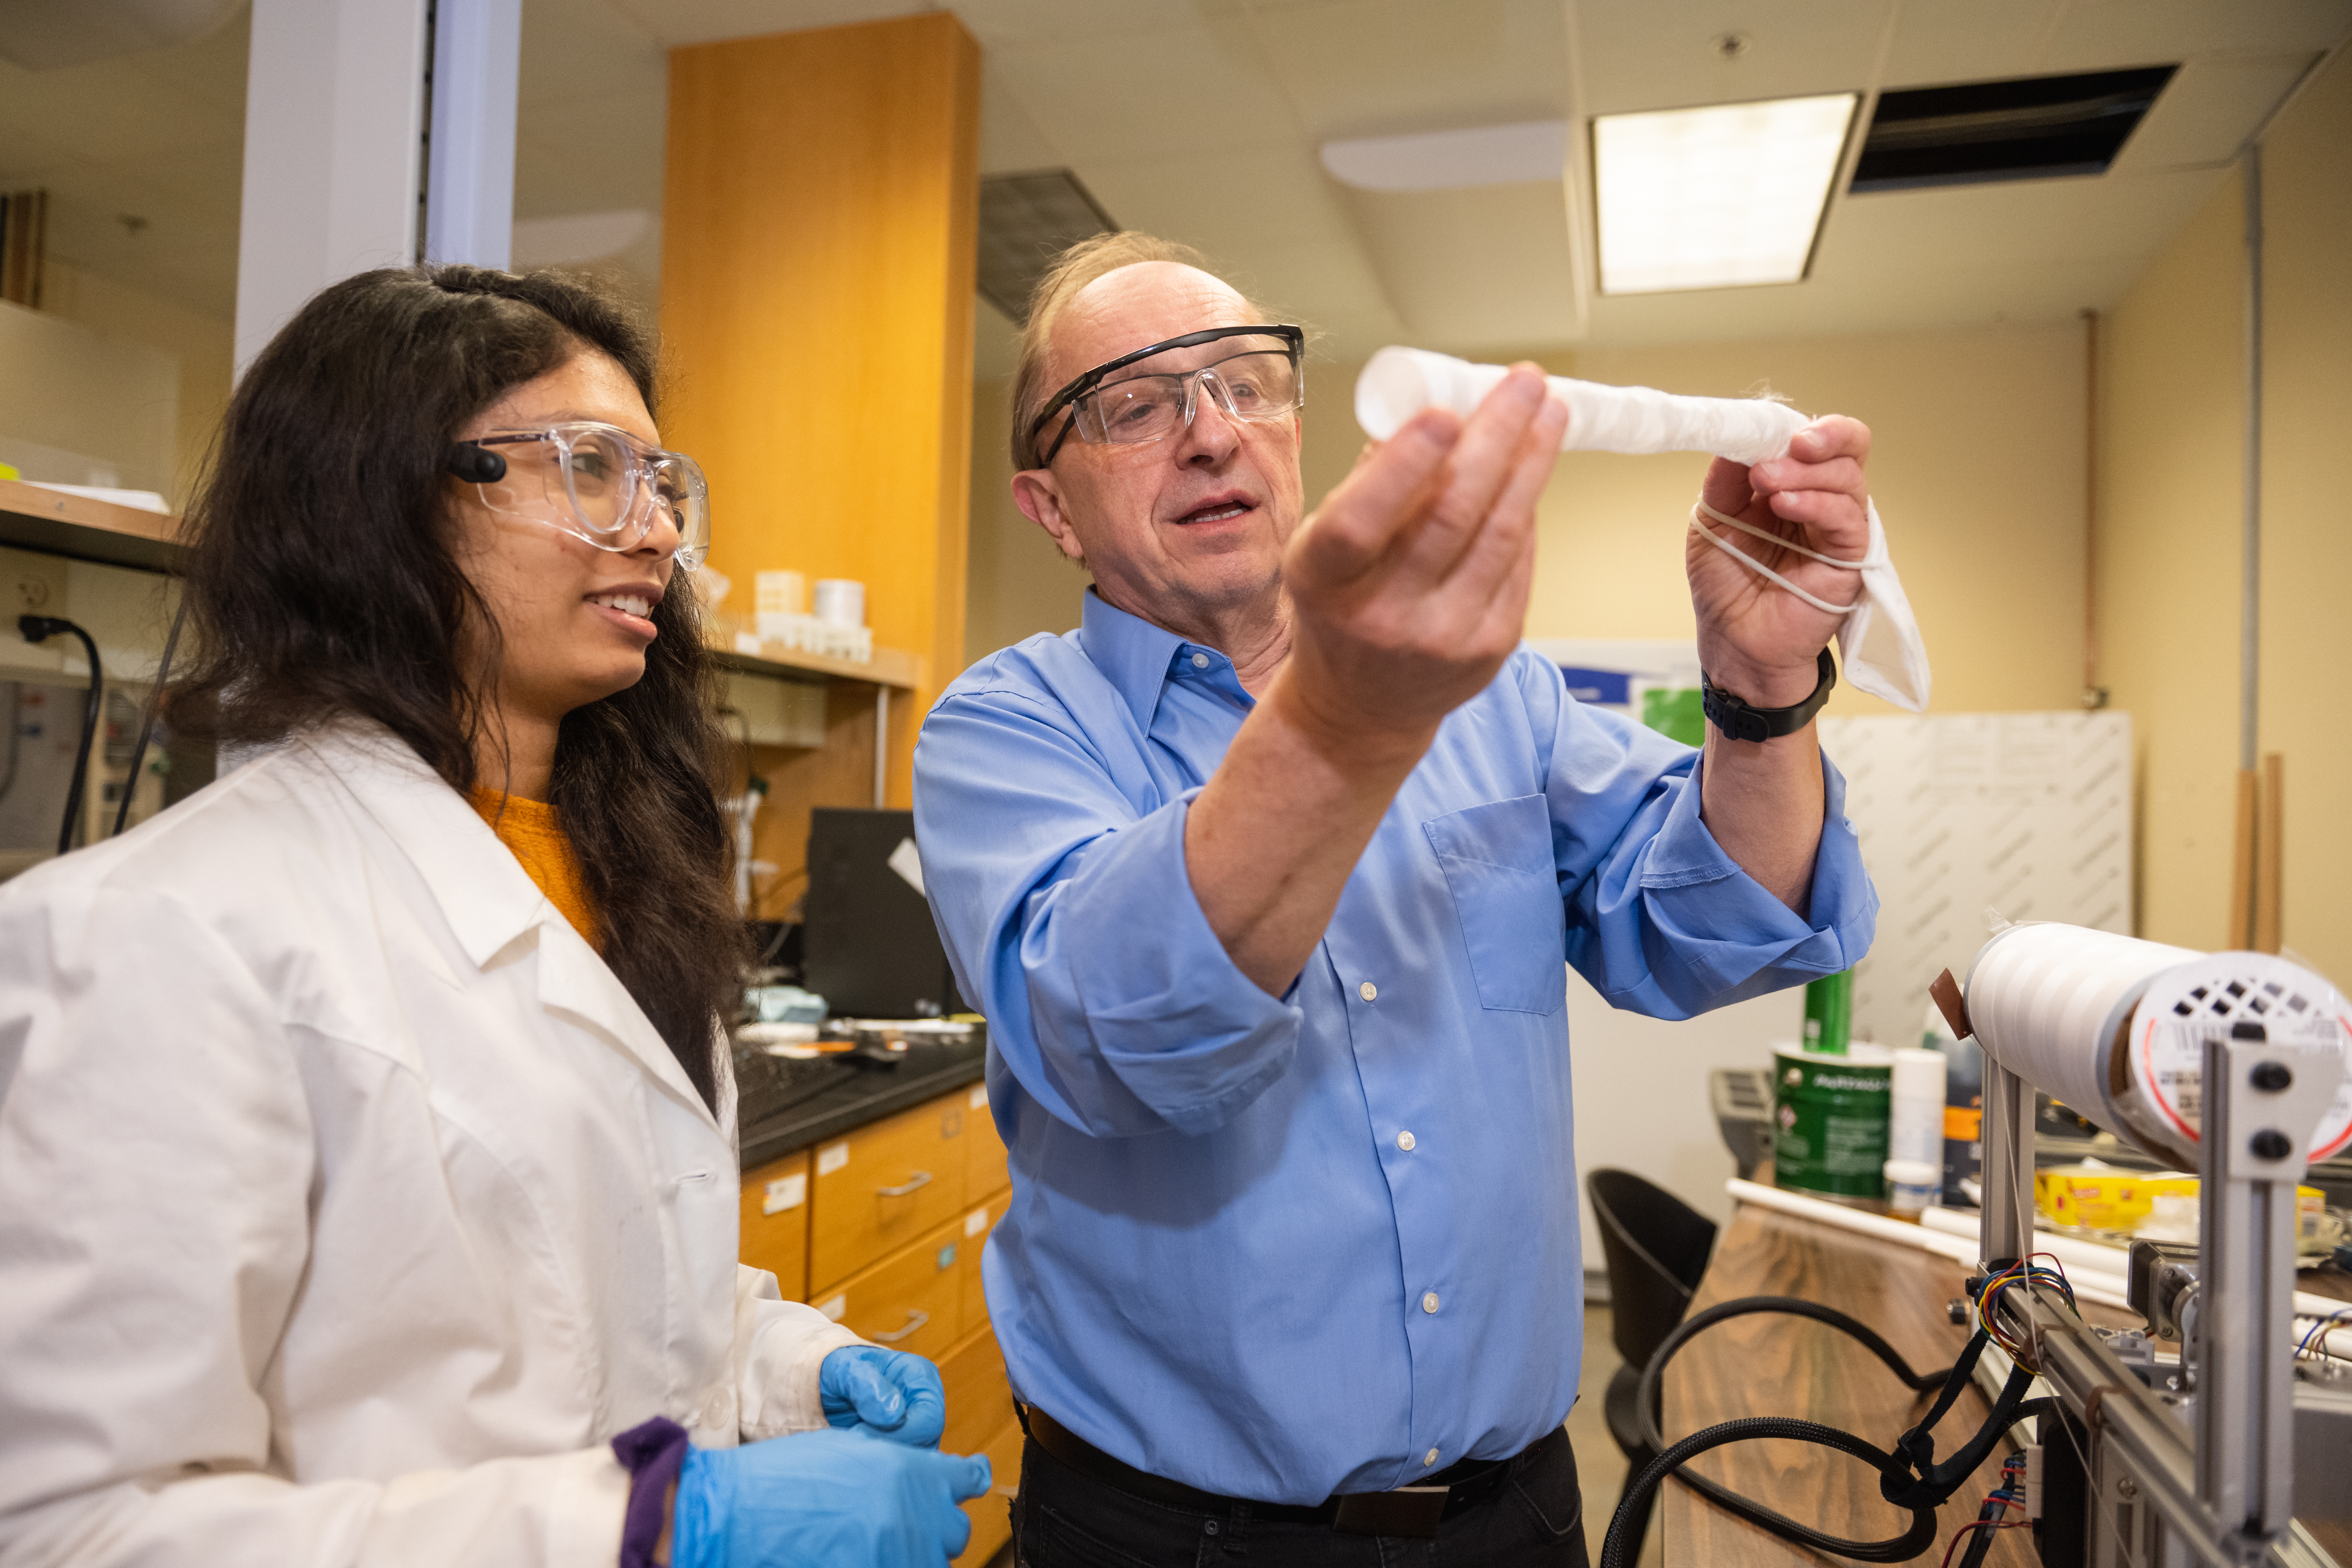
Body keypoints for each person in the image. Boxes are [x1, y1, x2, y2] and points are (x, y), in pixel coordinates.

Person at [0, 266, 990, 1568]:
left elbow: (598, 1285)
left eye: (662, 484)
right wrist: (643, 1530)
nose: (656, 533)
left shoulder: (613, 881)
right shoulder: (157, 932)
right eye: (589, 467)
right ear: (382, 497)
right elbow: (75, 1527)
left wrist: (788, 1366)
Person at [913, 233, 1880, 1565]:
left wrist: (1762, 691)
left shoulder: (1501, 697)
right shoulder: (1009, 731)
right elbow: (1121, 1040)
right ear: (1052, 508)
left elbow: (1713, 929)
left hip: (1514, 1519)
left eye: (1246, 382)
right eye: (1134, 406)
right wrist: (1348, 719)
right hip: (1174, 1540)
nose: (1211, 436)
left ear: (1295, 427)